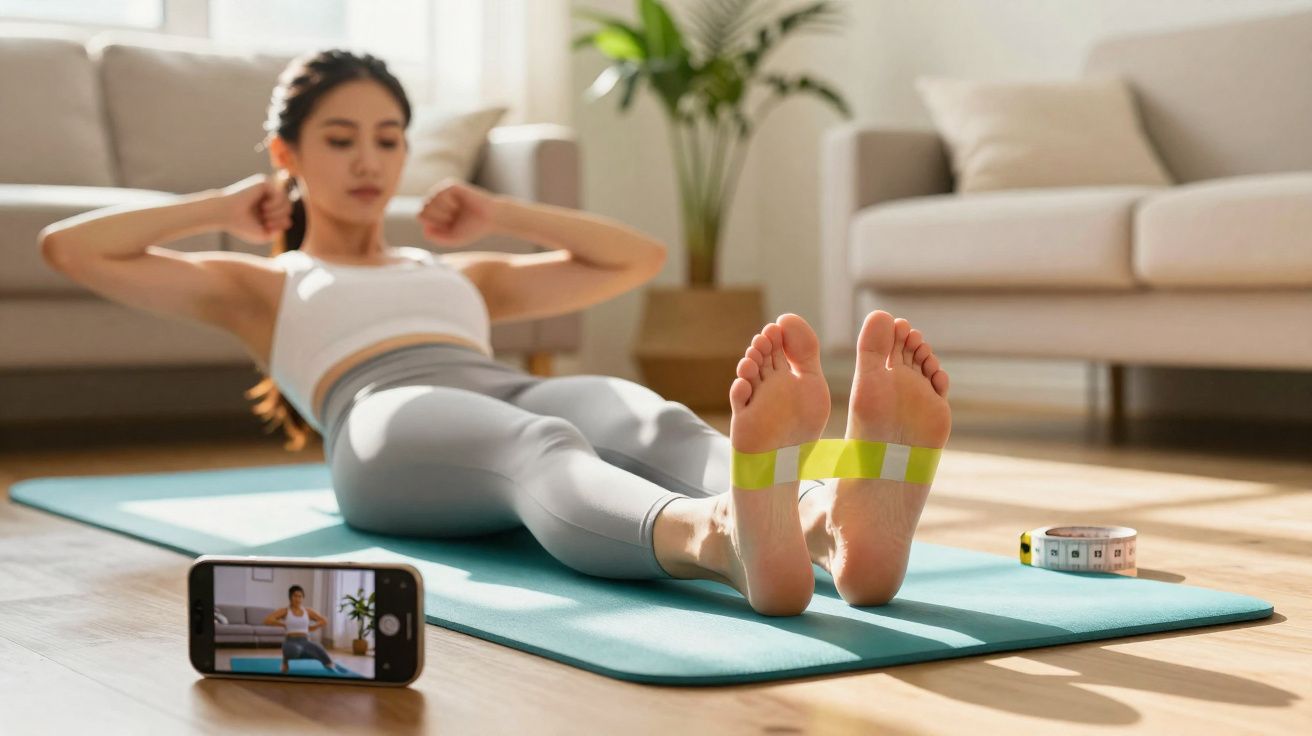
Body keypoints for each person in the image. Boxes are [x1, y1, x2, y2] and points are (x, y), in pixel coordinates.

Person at [38, 49, 951, 617]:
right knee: (540, 442)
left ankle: (827, 524)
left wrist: (497, 211)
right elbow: (68, 250)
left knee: (646, 417)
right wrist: (219, 208)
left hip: (496, 378)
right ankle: (716, 538)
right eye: (341, 139)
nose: (369, 161)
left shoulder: (451, 272)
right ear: (289, 154)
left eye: (389, 139)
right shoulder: (265, 282)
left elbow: (635, 257)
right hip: (384, 414)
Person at [263, 585, 349, 674]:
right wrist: (283, 624)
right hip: (290, 641)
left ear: (303, 598)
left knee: (319, 648)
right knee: (295, 650)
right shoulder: (285, 611)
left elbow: (324, 620)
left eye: (300, 596)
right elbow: (267, 620)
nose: (297, 599)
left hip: (305, 641)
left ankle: (331, 666)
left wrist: (313, 627)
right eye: (295, 596)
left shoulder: (307, 611)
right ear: (290, 597)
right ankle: (285, 661)